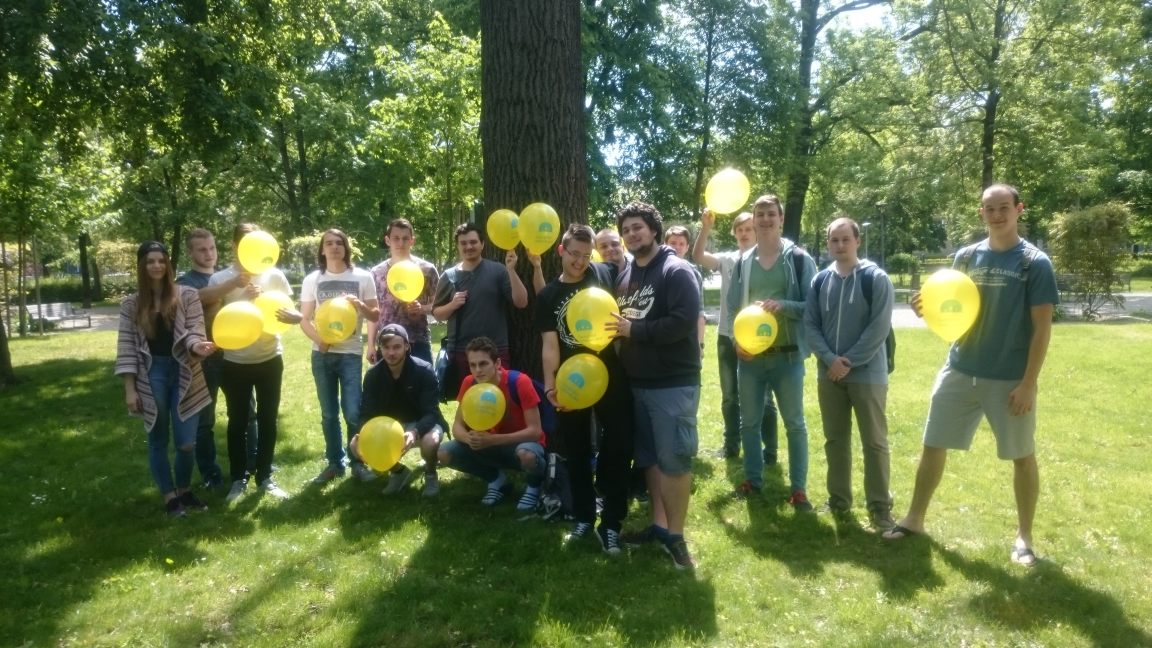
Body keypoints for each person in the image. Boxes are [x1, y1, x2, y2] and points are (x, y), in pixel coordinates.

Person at [883, 184, 1058, 568]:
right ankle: (914, 519)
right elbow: (951, 304)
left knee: (1022, 455)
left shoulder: (1034, 263)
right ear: (981, 213)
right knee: (933, 443)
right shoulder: (965, 256)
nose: (996, 215)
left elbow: (1042, 329)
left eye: (1003, 207)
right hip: (960, 368)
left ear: (1019, 209)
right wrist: (926, 307)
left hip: (1009, 379)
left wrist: (1028, 384)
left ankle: (1024, 537)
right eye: (989, 209)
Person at [610, 201, 702, 570]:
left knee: (674, 461)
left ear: (653, 229)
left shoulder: (675, 270)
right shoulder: (626, 275)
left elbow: (682, 322)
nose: (632, 234)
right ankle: (659, 527)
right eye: (626, 230)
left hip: (672, 385)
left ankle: (676, 538)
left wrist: (635, 331)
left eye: (638, 227)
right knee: (649, 459)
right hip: (637, 384)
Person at [536, 223, 632, 555]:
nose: (579, 262)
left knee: (618, 445)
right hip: (572, 382)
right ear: (561, 251)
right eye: (573, 254)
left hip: (610, 375)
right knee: (575, 450)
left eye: (585, 255)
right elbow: (550, 345)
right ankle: (583, 516)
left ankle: (612, 524)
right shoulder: (548, 296)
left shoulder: (603, 274)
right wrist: (550, 386)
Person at [803, 217, 895, 530]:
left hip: (867, 375)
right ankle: (839, 500)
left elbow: (879, 327)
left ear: (857, 241)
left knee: (875, 442)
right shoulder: (820, 280)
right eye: (834, 240)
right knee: (835, 440)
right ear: (828, 243)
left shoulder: (875, 278)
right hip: (829, 375)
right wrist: (830, 360)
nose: (840, 245)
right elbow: (810, 325)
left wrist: (848, 362)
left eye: (846, 239)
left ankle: (880, 507)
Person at [727, 194, 817, 511]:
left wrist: (783, 306)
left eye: (771, 214)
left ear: (781, 219)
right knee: (749, 423)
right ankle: (753, 481)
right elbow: (733, 308)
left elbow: (813, 305)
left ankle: (799, 490)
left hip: (787, 356)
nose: (765, 219)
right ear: (753, 220)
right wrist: (737, 342)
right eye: (760, 214)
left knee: (795, 424)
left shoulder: (799, 259)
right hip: (751, 359)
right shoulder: (743, 262)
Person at [116, 241, 216, 517]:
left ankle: (184, 490)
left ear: (168, 265)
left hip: (185, 370)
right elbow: (126, 348)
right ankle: (170, 496)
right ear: (141, 266)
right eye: (150, 261)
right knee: (158, 438)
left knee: (187, 442)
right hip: (152, 373)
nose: (157, 266)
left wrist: (198, 346)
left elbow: (195, 330)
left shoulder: (187, 295)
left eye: (161, 260)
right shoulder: (131, 304)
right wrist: (130, 389)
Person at [209, 223, 294, 502]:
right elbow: (214, 319)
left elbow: (287, 311)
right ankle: (238, 478)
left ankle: (265, 476)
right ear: (235, 246)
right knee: (238, 422)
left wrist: (285, 314)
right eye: (246, 242)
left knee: (269, 419)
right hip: (235, 362)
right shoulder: (221, 279)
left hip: (270, 358)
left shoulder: (275, 275)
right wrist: (244, 299)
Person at [693, 210, 780, 461]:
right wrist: (706, 227)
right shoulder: (728, 260)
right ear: (734, 233)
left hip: (758, 338)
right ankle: (731, 446)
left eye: (748, 229)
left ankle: (770, 450)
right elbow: (698, 256)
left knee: (764, 397)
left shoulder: (766, 260)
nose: (744, 233)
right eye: (739, 229)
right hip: (727, 336)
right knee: (730, 396)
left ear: (757, 232)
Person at [176, 228, 258, 488]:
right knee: (205, 420)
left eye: (212, 247)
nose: (209, 253)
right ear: (190, 252)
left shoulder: (225, 276)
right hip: (204, 358)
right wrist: (233, 285)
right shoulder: (186, 281)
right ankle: (210, 474)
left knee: (247, 413)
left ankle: (253, 463)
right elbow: (198, 298)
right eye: (202, 249)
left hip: (234, 354)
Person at [300, 228, 381, 484]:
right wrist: (320, 341)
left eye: (339, 243)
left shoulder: (363, 277)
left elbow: (375, 315)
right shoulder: (312, 279)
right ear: (322, 250)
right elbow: (304, 319)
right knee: (328, 414)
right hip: (322, 355)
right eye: (329, 243)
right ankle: (335, 463)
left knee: (353, 412)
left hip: (350, 354)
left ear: (346, 248)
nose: (334, 247)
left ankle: (358, 462)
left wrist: (360, 305)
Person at [437, 336, 548, 510]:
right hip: (486, 445)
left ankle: (534, 486)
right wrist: (469, 439)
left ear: (497, 363)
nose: (478, 370)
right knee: (443, 453)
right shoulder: (469, 383)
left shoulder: (519, 381)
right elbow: (457, 426)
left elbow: (535, 431)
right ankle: (496, 480)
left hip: (519, 445)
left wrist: (493, 440)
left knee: (527, 455)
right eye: (473, 365)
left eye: (483, 364)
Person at [348, 324, 448, 496]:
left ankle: (431, 474)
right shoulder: (373, 375)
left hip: (422, 424)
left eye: (396, 347)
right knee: (354, 445)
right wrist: (362, 433)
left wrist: (415, 432)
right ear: (380, 348)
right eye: (386, 347)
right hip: (390, 428)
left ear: (407, 346)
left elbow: (431, 413)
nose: (391, 353)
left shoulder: (424, 370)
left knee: (430, 442)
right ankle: (399, 472)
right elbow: (367, 413)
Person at [432, 223, 528, 399]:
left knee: (499, 400)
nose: (468, 247)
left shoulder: (498, 270)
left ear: (482, 244)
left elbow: (521, 302)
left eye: (473, 242)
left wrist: (511, 270)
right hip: (462, 352)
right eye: (463, 243)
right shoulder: (449, 276)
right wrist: (452, 305)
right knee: (469, 403)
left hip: (496, 350)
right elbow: (437, 313)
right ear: (458, 246)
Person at [367, 218, 440, 364]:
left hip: (418, 340)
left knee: (424, 379)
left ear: (412, 241)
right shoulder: (376, 273)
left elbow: (438, 306)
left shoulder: (427, 270)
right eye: (396, 238)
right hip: (387, 343)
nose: (401, 243)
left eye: (405, 238)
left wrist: (422, 308)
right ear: (387, 240)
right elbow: (374, 313)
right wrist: (370, 345)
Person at [664, 225, 707, 355]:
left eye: (681, 244)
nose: (677, 247)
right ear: (665, 244)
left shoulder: (694, 274)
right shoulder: (657, 270)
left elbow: (699, 312)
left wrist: (700, 344)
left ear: (687, 247)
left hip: (687, 340)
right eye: (673, 243)